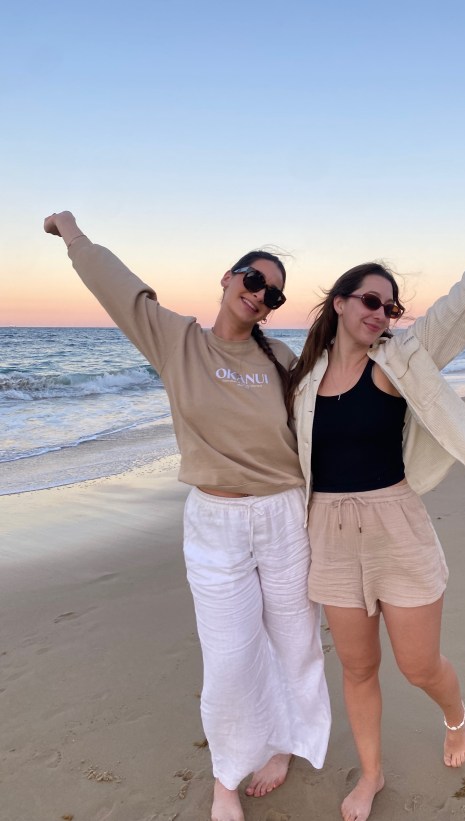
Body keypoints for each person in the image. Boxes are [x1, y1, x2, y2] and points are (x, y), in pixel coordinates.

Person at [286, 181, 465, 821]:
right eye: (370, 301)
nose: (381, 314)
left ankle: (454, 716)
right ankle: (371, 775)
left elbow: (461, 302)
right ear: (339, 303)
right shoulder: (301, 381)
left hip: (396, 526)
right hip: (327, 535)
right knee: (357, 668)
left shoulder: (400, 361)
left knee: (417, 666)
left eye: (390, 307)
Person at [43, 212, 331, 821]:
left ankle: (282, 745)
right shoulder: (177, 341)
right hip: (215, 522)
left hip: (283, 516)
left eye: (273, 294)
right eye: (253, 279)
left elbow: (326, 413)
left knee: (296, 644)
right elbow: (121, 290)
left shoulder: (281, 358)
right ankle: (227, 776)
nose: (260, 294)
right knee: (229, 658)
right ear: (228, 277)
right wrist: (73, 234)